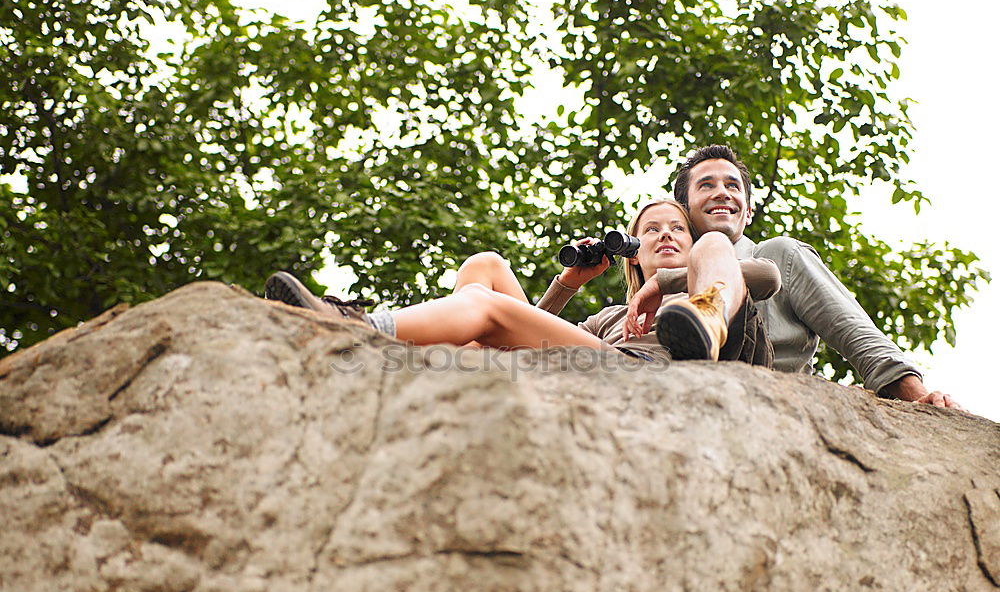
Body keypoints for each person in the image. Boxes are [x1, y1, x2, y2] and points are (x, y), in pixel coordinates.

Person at [264, 199, 779, 365]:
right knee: (485, 266)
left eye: (677, 229)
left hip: (665, 365)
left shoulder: (711, 271)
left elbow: (765, 275)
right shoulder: (609, 320)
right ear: (633, 253)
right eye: (652, 230)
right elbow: (528, 338)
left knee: (718, 244)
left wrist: (669, 285)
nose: (667, 234)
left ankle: (352, 325)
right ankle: (435, 359)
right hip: (599, 363)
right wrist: (568, 283)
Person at [640, 143, 960, 407]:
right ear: (683, 208)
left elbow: (850, 326)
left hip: (768, 392)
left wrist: (915, 394)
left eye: (732, 185)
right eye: (706, 185)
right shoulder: (659, 281)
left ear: (748, 211)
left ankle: (713, 318)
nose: (722, 193)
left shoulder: (779, 255)